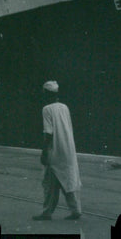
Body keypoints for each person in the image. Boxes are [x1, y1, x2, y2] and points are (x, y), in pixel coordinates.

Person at [32, 81, 82, 221]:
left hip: (55, 151)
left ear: (47, 93)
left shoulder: (47, 109)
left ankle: (47, 212)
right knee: (68, 179)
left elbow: (48, 133)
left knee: (50, 183)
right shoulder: (64, 107)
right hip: (68, 149)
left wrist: (44, 152)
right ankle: (76, 209)